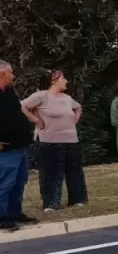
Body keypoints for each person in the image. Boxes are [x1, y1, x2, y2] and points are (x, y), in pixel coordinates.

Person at [22, 70, 87, 212]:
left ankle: (77, 200)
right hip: (49, 140)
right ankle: (51, 203)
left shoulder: (67, 98)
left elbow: (78, 107)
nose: (66, 81)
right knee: (50, 172)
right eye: (63, 78)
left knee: (74, 170)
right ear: (54, 81)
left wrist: (74, 120)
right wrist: (35, 120)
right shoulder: (41, 96)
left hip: (71, 140)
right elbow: (22, 106)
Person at [0, 60, 37, 232]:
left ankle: (14, 213)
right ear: (2, 75)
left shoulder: (9, 92)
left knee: (19, 182)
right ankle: (1, 217)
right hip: (5, 149)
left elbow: (17, 110)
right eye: (11, 73)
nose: (13, 76)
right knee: (4, 183)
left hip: (20, 145)